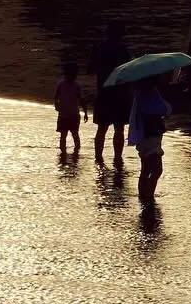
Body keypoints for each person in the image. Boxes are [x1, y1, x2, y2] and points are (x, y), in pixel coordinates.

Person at [89, 22, 133, 164]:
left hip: (103, 92)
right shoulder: (123, 50)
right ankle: (117, 158)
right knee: (119, 128)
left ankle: (98, 158)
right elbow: (128, 72)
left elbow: (90, 69)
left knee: (102, 128)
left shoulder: (98, 49)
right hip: (120, 93)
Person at [128, 74, 171, 202]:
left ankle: (143, 197)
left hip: (148, 136)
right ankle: (148, 198)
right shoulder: (146, 95)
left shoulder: (145, 93)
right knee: (157, 170)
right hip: (149, 136)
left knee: (146, 170)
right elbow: (161, 109)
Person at [54, 61, 86, 153]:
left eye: (74, 75)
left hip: (74, 115)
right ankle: (64, 153)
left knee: (75, 134)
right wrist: (56, 105)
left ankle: (76, 152)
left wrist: (86, 113)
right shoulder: (61, 85)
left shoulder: (77, 86)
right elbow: (56, 97)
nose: (73, 77)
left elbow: (82, 100)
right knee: (63, 135)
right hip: (63, 115)